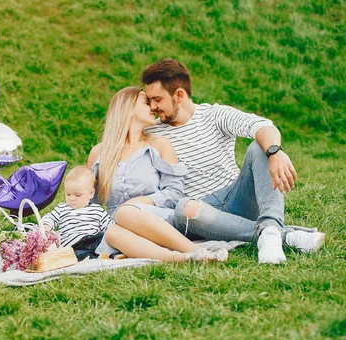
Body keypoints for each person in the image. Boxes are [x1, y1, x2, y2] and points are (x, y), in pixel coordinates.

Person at [141, 58, 325, 264]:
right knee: (184, 208)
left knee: (259, 146)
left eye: (157, 99)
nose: (153, 107)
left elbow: (260, 125)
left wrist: (275, 152)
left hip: (238, 197)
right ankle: (279, 235)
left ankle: (271, 229)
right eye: (149, 100)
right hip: (199, 212)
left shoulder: (213, 115)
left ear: (179, 95)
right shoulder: (150, 132)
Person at [87, 87, 228, 263]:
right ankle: (179, 258)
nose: (153, 107)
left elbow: (175, 192)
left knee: (124, 213)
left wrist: (140, 202)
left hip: (158, 220)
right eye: (147, 102)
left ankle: (196, 249)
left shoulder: (159, 145)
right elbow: (88, 202)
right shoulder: (99, 153)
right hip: (121, 228)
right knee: (112, 232)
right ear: (128, 109)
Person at [42, 166, 112, 260]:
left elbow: (109, 226)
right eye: (68, 194)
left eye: (77, 195)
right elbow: (50, 218)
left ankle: (113, 255)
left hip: (93, 239)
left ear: (91, 194)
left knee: (104, 241)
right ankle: (94, 259)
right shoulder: (62, 209)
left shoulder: (97, 210)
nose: (72, 198)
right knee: (77, 255)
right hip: (74, 244)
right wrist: (46, 225)